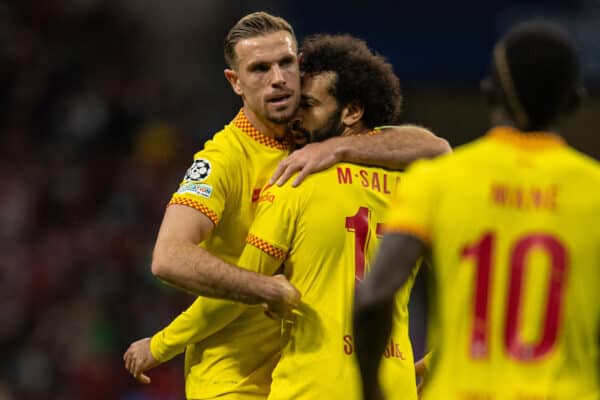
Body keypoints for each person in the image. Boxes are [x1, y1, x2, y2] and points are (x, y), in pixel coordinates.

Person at [124, 12, 450, 400]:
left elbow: (435, 147)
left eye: (285, 63)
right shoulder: (223, 159)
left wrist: (338, 146)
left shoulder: (319, 135)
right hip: (233, 379)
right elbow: (168, 257)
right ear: (236, 82)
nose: (277, 78)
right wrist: (264, 288)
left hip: (304, 373)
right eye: (260, 69)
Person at [354, 20, 599, 400]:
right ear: (574, 101)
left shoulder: (436, 180)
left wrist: (372, 389)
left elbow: (372, 298)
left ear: (488, 94)